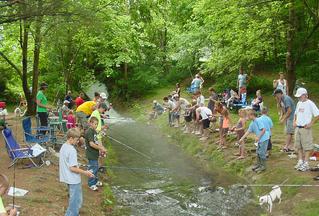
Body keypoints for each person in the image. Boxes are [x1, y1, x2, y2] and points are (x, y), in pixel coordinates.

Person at [59, 128, 94, 216]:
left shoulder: (63, 146)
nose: (77, 141)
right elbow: (72, 168)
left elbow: (68, 163)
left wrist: (78, 165)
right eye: (76, 140)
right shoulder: (72, 150)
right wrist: (86, 172)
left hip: (67, 178)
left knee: (74, 200)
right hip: (73, 180)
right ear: (70, 138)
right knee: (76, 202)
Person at [293, 88, 319, 172]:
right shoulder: (299, 103)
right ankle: (300, 161)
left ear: (305, 95)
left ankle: (306, 163)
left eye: (300, 96)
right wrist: (294, 121)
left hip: (305, 128)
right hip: (298, 127)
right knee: (298, 145)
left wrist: (311, 123)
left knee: (307, 146)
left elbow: (317, 115)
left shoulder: (310, 103)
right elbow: (296, 113)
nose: (298, 98)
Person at [85, 117, 107, 191]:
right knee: (93, 169)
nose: (96, 125)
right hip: (91, 154)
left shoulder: (94, 131)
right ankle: (91, 184)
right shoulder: (89, 132)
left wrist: (102, 149)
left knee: (96, 168)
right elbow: (91, 144)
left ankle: (95, 181)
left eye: (97, 124)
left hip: (95, 153)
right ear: (90, 123)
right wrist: (101, 148)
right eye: (95, 124)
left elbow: (97, 142)